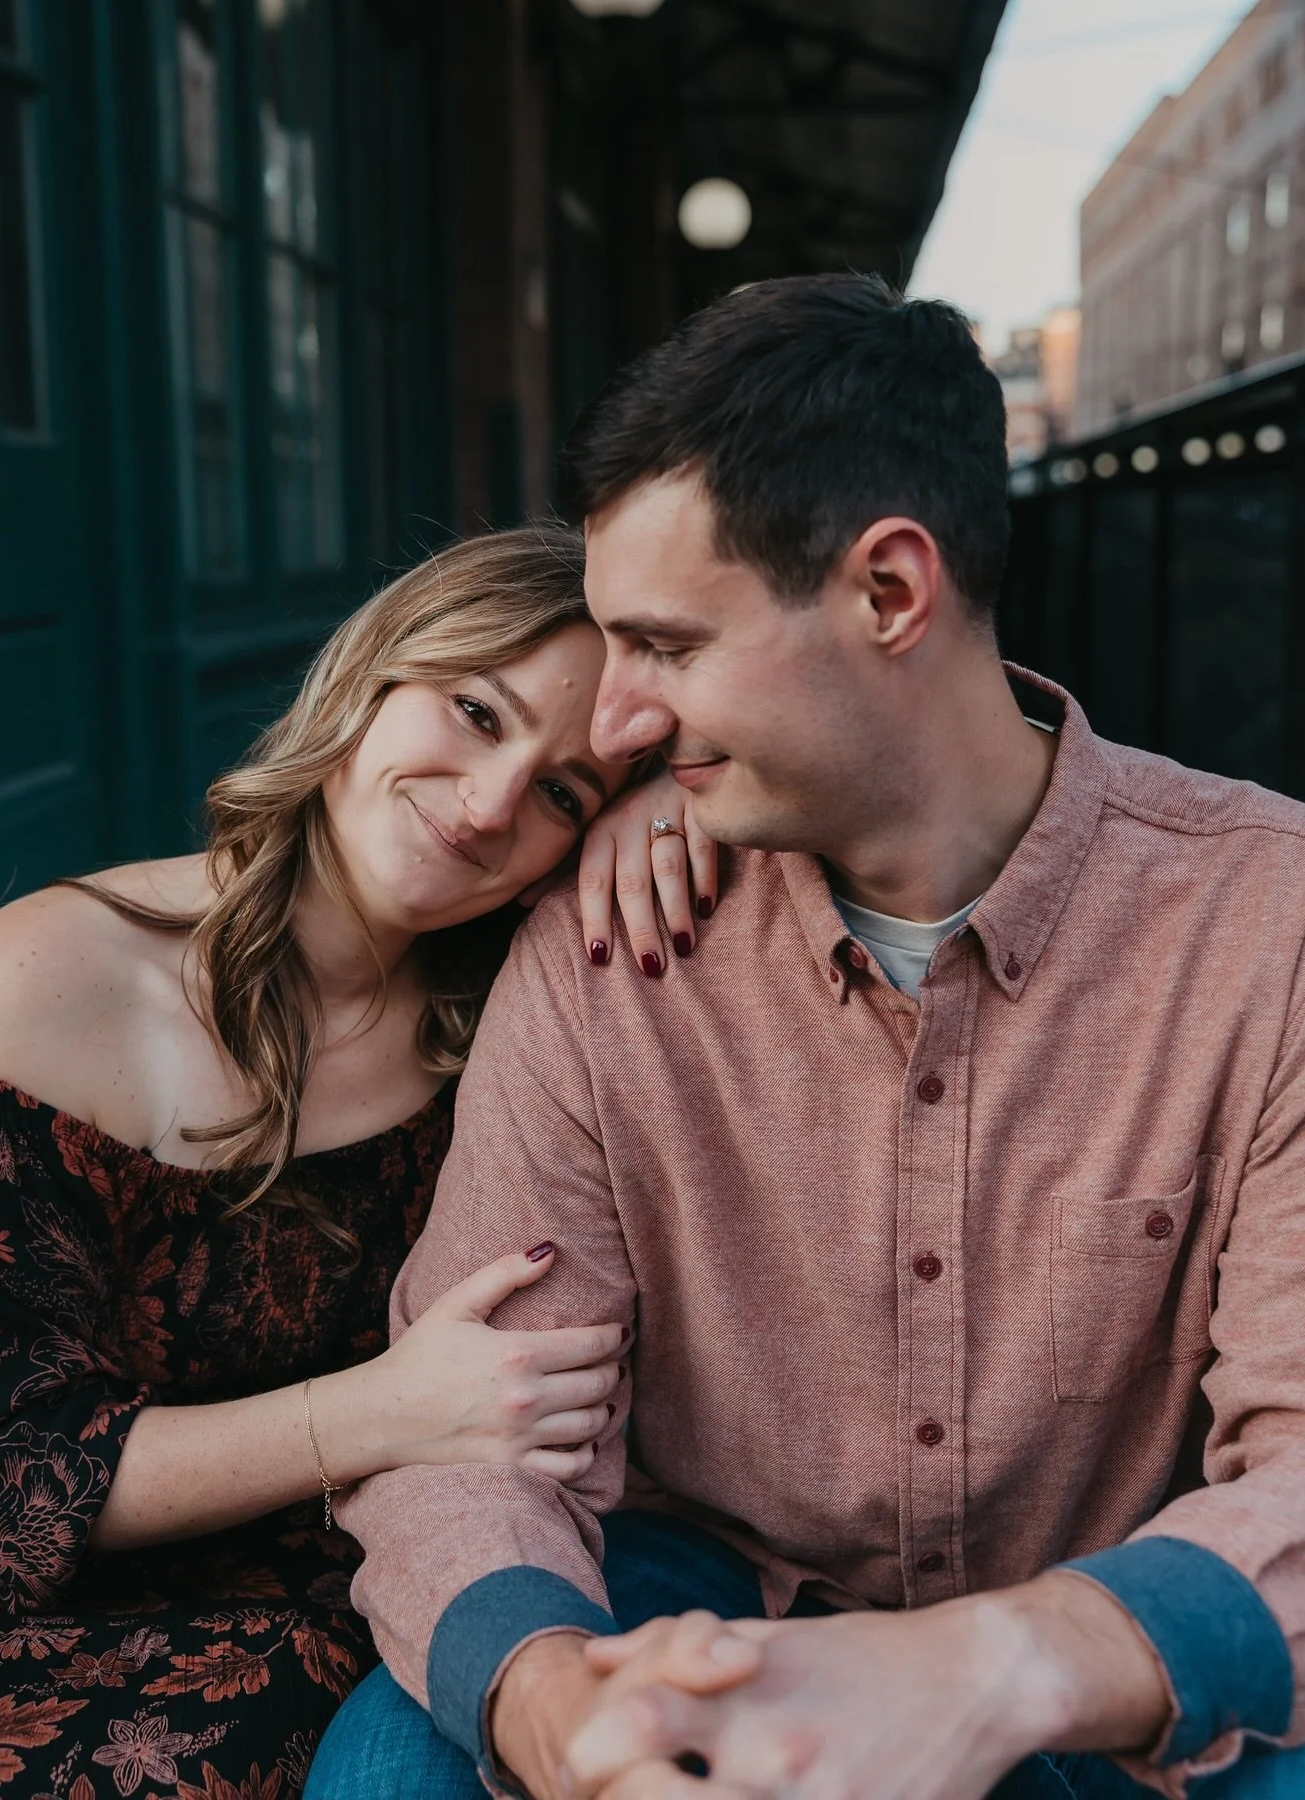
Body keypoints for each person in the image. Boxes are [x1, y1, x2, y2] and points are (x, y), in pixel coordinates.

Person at [305, 275, 1305, 1800]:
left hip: (1095, 1636)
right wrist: (550, 1696)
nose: (618, 723)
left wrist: (994, 1669)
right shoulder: (607, 940)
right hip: (700, 1603)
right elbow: (476, 1426)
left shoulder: (1267, 923)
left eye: (664, 646)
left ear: (889, 595)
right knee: (397, 1769)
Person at [0, 525, 712, 1800]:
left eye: (561, 793)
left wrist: (669, 804)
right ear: (371, 673)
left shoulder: (530, 1009)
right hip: (28, 1594)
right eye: (475, 711)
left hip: (380, 1562)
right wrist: (386, 1407)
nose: (488, 807)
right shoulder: (49, 983)